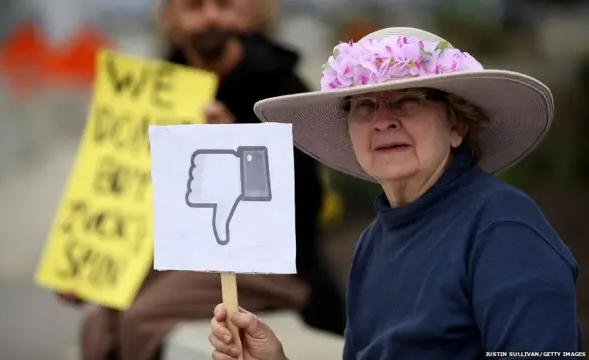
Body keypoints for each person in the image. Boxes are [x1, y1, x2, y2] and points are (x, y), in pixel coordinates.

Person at [208, 27, 585, 359]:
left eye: (409, 100)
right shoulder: (372, 242)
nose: (383, 120)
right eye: (365, 105)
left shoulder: (505, 230)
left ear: (457, 125)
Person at [58, 1, 346, 360]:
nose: (210, 16)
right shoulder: (158, 86)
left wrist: (235, 143)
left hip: (265, 264)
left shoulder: (278, 85)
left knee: (139, 319)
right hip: (187, 253)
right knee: (98, 323)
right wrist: (86, 267)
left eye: (222, 4)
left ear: (243, 12)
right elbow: (128, 188)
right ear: (170, 17)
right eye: (195, 6)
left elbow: (306, 200)